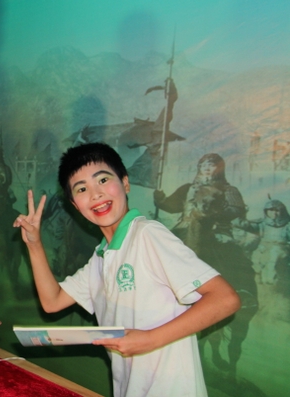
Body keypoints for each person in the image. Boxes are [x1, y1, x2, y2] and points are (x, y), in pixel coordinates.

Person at [13, 142, 240, 397]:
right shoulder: (100, 257)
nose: (96, 194)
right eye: (82, 189)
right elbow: (52, 301)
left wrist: (150, 339)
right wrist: (34, 244)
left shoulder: (147, 234)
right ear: (75, 205)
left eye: (103, 180)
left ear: (125, 183)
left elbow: (225, 299)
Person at [153, 153, 257, 376]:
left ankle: (243, 293)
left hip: (216, 231)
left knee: (235, 256)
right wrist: (160, 200)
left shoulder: (228, 189)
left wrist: (214, 213)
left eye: (213, 165)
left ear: (220, 169)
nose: (208, 168)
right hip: (185, 229)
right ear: (199, 167)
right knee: (157, 252)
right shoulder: (188, 188)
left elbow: (236, 209)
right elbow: (171, 206)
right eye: (205, 165)